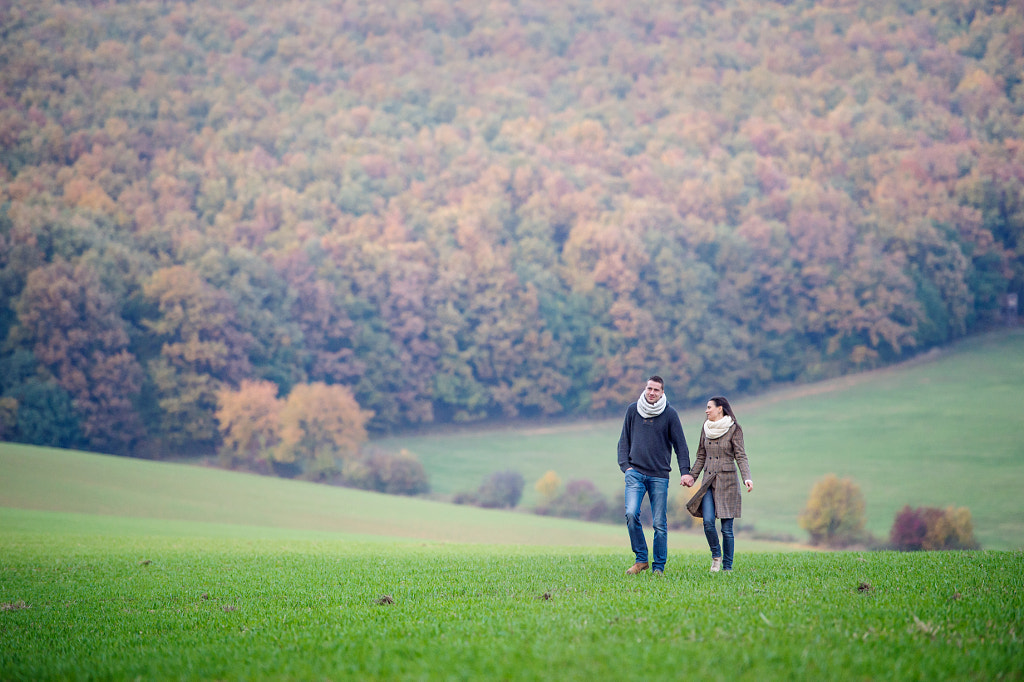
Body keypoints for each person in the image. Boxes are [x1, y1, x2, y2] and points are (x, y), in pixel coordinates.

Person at [617, 375, 689, 577]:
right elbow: (623, 441)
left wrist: (685, 471)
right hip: (635, 473)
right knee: (631, 514)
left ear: (662, 392)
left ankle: (659, 566)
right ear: (645, 388)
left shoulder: (670, 414)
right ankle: (641, 559)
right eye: (649, 388)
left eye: (656, 390)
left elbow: (680, 445)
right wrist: (626, 467)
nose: (651, 392)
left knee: (659, 522)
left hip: (659, 475)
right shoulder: (633, 410)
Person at [681, 396, 753, 572]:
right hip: (708, 483)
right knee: (707, 522)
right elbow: (701, 456)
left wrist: (747, 478)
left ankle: (727, 567)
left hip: (728, 483)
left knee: (727, 530)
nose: (706, 411)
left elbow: (740, 455)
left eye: (709, 407)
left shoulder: (734, 429)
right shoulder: (705, 429)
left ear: (720, 408)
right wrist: (692, 476)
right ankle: (716, 556)